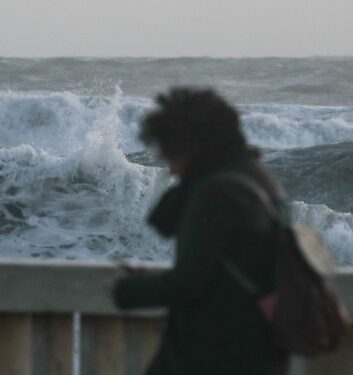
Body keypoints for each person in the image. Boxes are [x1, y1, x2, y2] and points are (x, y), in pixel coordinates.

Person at [112, 88, 290, 375]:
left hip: (212, 353)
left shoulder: (215, 193)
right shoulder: (262, 179)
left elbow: (187, 283)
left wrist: (125, 290)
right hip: (261, 350)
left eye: (172, 152)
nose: (170, 167)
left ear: (194, 147)